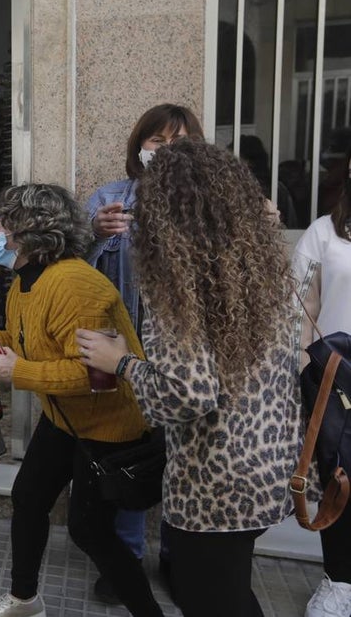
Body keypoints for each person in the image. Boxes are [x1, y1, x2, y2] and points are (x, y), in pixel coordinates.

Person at [79, 140, 298, 617]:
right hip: (268, 467)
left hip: (215, 484)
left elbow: (185, 395)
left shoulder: (179, 283)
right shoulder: (257, 268)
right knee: (233, 593)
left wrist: (121, 361)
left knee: (212, 602)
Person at [0, 183, 162, 617]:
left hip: (108, 426)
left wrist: (18, 373)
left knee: (89, 530)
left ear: (29, 232)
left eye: (2, 222)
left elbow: (100, 377)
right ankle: (25, 599)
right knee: (29, 498)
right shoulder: (26, 283)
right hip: (63, 417)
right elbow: (17, 346)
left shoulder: (77, 286)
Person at [84, 102, 203, 600]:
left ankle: (179, 559)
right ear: (139, 147)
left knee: (183, 460)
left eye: (177, 143)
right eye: (157, 142)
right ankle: (127, 561)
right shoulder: (110, 197)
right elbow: (80, 276)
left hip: (184, 356)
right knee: (131, 457)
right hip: (123, 352)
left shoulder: (207, 202)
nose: (165, 151)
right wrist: (94, 234)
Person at [294, 151, 351, 617]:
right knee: (341, 479)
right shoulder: (325, 232)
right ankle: (339, 581)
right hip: (337, 376)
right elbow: (302, 305)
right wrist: (306, 367)